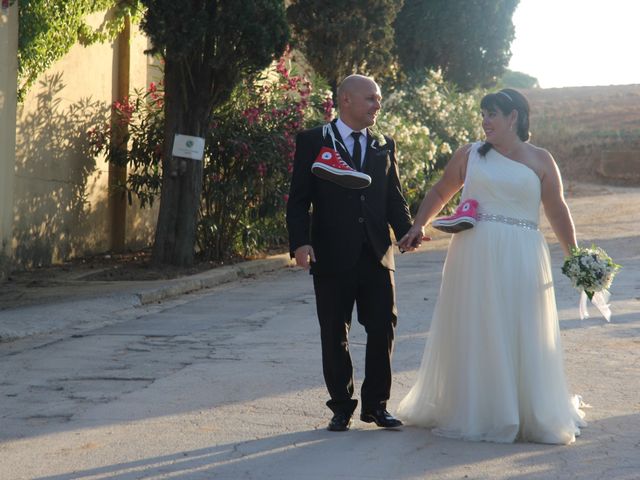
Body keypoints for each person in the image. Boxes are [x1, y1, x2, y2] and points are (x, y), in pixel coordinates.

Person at [396, 88, 587, 444]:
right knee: (478, 325)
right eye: (482, 114)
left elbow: (557, 209)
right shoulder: (470, 155)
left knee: (519, 325)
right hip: (473, 252)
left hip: (523, 254)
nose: (484, 121)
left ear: (513, 117)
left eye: (492, 114)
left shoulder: (541, 159)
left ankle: (526, 410)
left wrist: (574, 255)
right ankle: (479, 408)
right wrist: (418, 224)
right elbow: (441, 191)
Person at [286, 74, 416, 431]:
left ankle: (376, 405)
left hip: (377, 252)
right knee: (334, 331)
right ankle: (341, 406)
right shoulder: (314, 140)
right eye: (372, 99)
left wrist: (406, 231)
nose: (378, 105)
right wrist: (299, 242)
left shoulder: (383, 143)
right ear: (346, 100)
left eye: (379, 99)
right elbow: (299, 199)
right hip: (331, 253)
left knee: (382, 328)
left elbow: (393, 197)